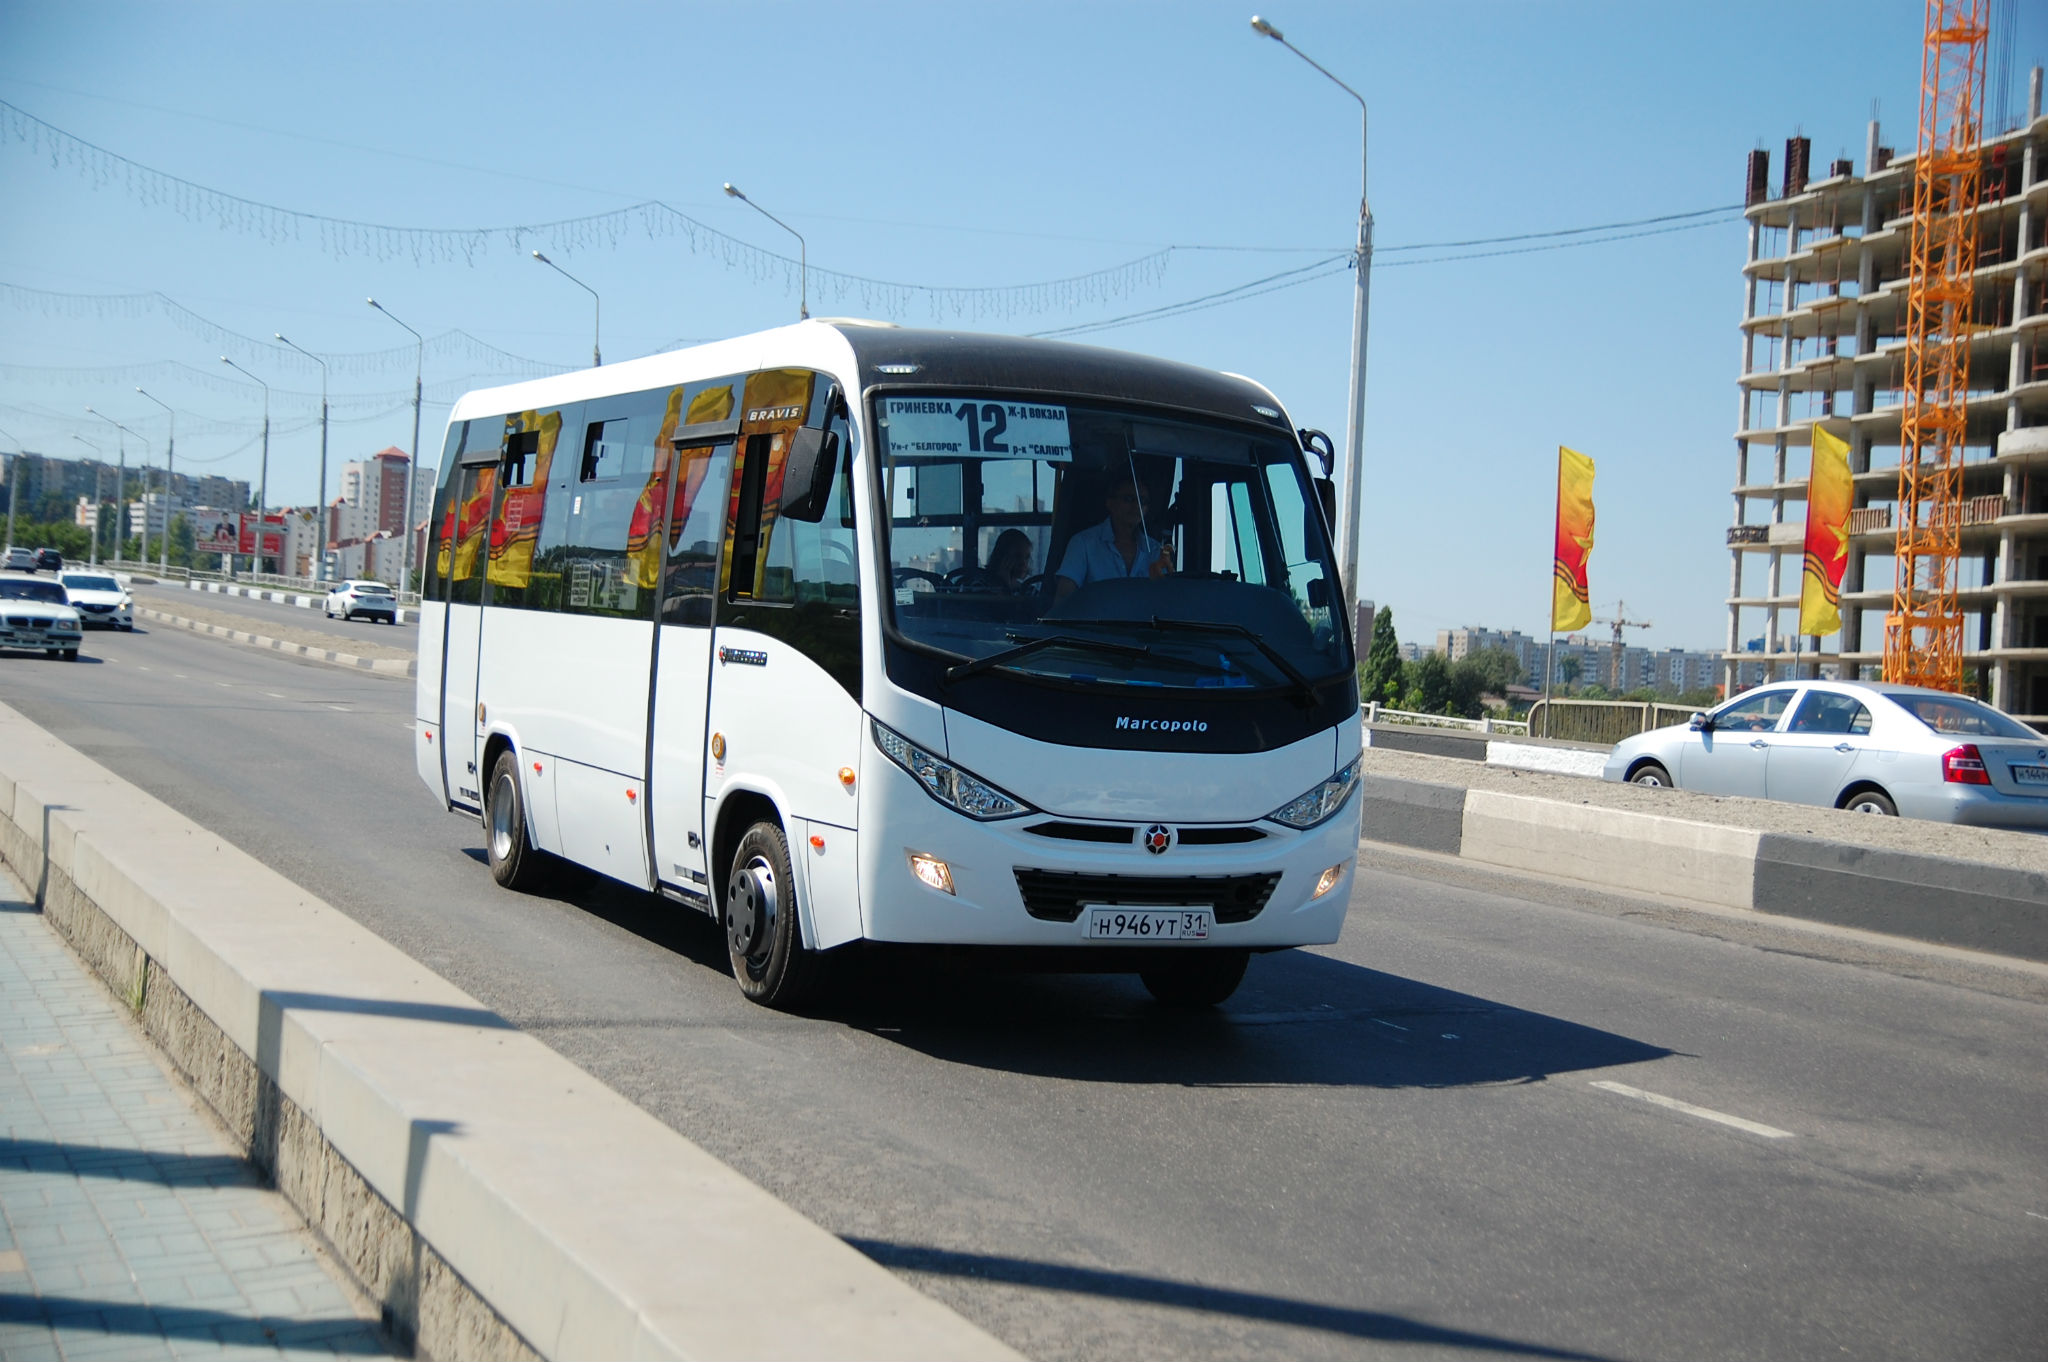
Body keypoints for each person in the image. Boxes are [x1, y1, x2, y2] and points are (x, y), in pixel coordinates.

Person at [1053, 473, 1172, 602]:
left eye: (1142, 501)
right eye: (1128, 499)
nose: (1137, 506)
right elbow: (1064, 599)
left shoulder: (1154, 550)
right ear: (1110, 503)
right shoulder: (1083, 543)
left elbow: (1163, 600)